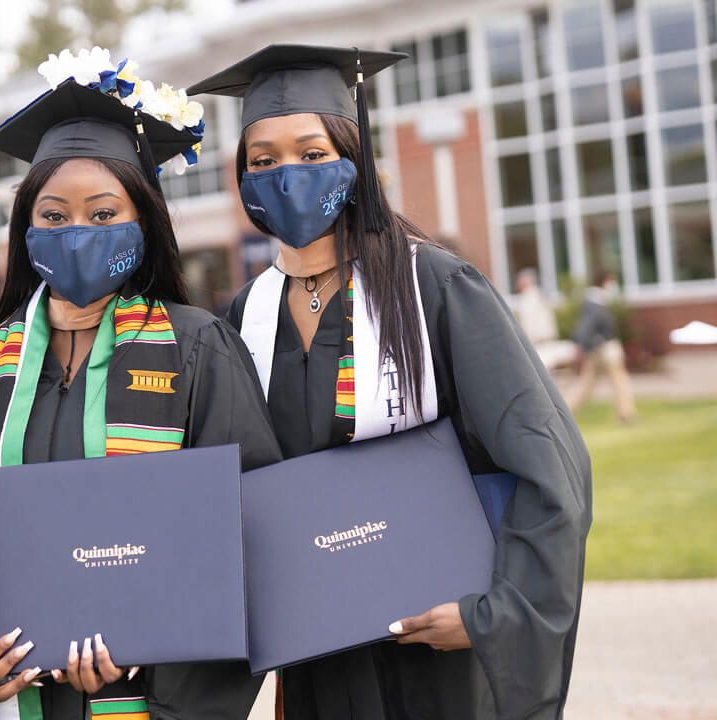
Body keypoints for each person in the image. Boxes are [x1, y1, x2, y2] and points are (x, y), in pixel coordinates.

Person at [189, 45, 592, 719]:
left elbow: (549, 463)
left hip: (436, 653)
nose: (287, 175)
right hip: (320, 654)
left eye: (312, 154)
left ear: (353, 160)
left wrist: (494, 613)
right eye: (263, 161)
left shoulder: (433, 286)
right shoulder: (243, 317)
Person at [0, 50, 281, 720]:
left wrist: (160, 649)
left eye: (104, 215)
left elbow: (250, 536)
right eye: (53, 217)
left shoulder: (197, 349)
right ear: (26, 230)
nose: (76, 233)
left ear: (145, 222)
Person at [570, 271, 636, 423]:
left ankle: (566, 412)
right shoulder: (595, 302)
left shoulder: (596, 300)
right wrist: (595, 343)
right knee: (619, 380)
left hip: (599, 350)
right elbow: (586, 328)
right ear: (604, 282)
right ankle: (626, 414)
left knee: (587, 383)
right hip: (605, 349)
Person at [513, 268, 578, 370]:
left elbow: (530, 325)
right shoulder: (539, 295)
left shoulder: (528, 299)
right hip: (546, 339)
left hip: (538, 342)